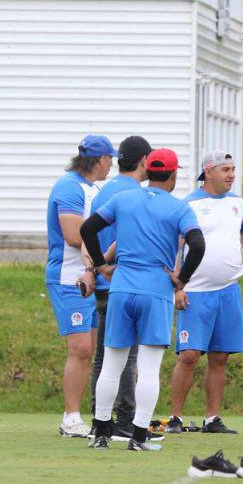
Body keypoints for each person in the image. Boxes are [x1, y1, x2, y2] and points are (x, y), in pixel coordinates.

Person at [80, 148, 205, 451]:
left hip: (122, 287)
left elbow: (88, 228)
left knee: (111, 363)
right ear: (174, 175)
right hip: (156, 290)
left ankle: (100, 433)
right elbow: (197, 245)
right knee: (148, 367)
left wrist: (101, 265)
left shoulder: (124, 199)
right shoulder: (179, 209)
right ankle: (138, 436)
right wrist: (182, 279)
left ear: (149, 169)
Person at [167, 151, 243, 435]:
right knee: (189, 355)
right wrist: (179, 285)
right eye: (225, 169)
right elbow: (176, 247)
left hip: (228, 290)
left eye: (233, 169)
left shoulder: (237, 203)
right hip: (196, 291)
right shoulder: (189, 204)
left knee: (220, 356)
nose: (231, 175)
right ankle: (175, 417)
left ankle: (211, 419)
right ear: (209, 172)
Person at [78, 136, 151, 441]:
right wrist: (106, 264)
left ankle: (100, 418)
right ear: (144, 161)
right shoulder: (136, 194)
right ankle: (123, 421)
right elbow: (128, 238)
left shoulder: (104, 190)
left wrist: (95, 266)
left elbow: (90, 232)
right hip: (126, 281)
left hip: (106, 282)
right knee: (128, 357)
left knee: (105, 358)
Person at [45, 135, 115, 438]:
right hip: (69, 276)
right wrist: (103, 257)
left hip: (90, 275)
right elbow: (74, 236)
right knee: (80, 348)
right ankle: (70, 417)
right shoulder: (69, 187)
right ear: (100, 161)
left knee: (90, 350)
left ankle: (78, 415)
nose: (111, 164)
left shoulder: (93, 188)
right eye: (109, 159)